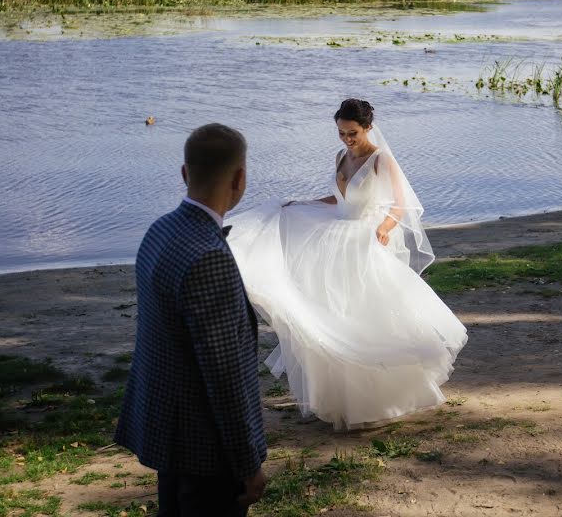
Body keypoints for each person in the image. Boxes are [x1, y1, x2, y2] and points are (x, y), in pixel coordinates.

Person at [228, 99, 468, 431]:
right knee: (332, 313)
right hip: (335, 235)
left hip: (362, 239)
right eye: (341, 133)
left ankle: (374, 401)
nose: (346, 139)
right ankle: (339, 399)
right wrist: (302, 203)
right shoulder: (341, 156)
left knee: (360, 315)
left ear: (368, 127)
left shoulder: (382, 159)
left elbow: (401, 204)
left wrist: (384, 228)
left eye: (352, 133)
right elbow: (338, 199)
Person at [115, 123, 268, 516]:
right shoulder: (209, 256)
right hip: (207, 451)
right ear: (239, 179)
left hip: (169, 434)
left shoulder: (160, 230)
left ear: (185, 173)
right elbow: (224, 375)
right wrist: (247, 462)